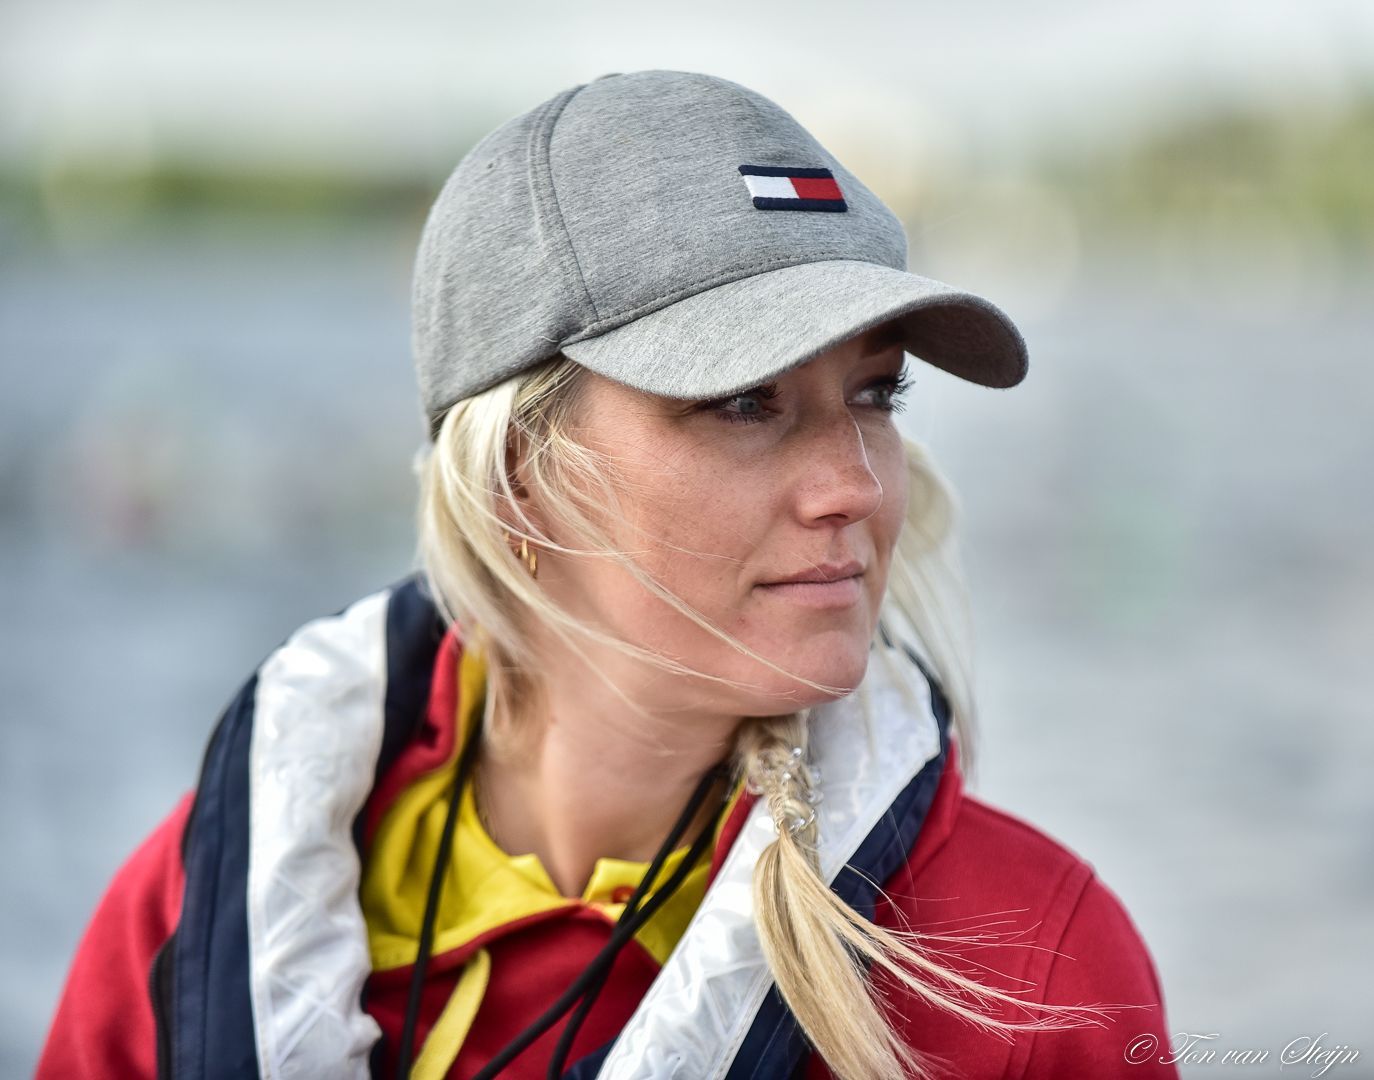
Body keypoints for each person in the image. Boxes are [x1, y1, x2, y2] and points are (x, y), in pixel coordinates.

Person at [37, 70, 1179, 1080]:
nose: (856, 485)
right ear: (518, 479)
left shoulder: (1026, 971)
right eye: (747, 401)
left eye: (877, 393)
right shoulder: (203, 907)